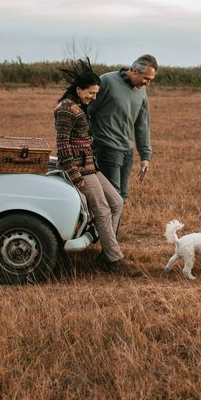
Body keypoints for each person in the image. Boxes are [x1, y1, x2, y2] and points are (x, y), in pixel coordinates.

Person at [54, 58, 141, 276]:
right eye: (91, 93)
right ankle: (114, 259)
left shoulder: (79, 106)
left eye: (96, 93)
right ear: (78, 89)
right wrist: (76, 176)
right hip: (79, 169)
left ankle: (106, 252)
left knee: (117, 201)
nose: (94, 97)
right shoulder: (66, 109)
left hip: (91, 167)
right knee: (102, 210)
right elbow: (63, 146)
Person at [88, 54, 158, 202]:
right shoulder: (107, 81)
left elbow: (142, 124)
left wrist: (145, 156)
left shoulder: (141, 91)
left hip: (127, 151)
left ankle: (109, 219)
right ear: (135, 70)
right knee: (113, 197)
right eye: (146, 78)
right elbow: (89, 110)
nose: (148, 83)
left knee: (121, 197)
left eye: (150, 80)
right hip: (106, 147)